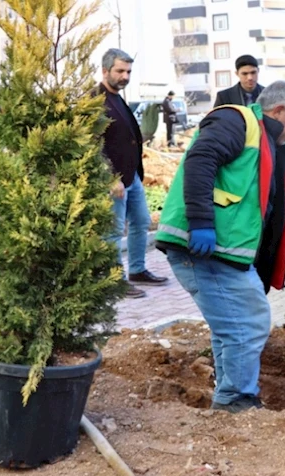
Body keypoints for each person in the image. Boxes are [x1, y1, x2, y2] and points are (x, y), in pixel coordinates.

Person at [155, 81, 285, 413]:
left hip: (222, 253)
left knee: (233, 326)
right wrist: (202, 223)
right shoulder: (236, 121)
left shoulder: (270, 152)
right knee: (247, 323)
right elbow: (200, 160)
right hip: (203, 248)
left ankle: (229, 399)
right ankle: (236, 402)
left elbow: (280, 215)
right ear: (278, 111)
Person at [97, 48, 168, 298]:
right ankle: (113, 279)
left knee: (140, 222)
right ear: (105, 71)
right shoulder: (96, 100)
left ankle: (137, 269)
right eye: (120, 71)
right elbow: (92, 144)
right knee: (114, 231)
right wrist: (109, 177)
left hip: (132, 176)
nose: (125, 76)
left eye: (128, 71)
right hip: (113, 180)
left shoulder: (118, 97)